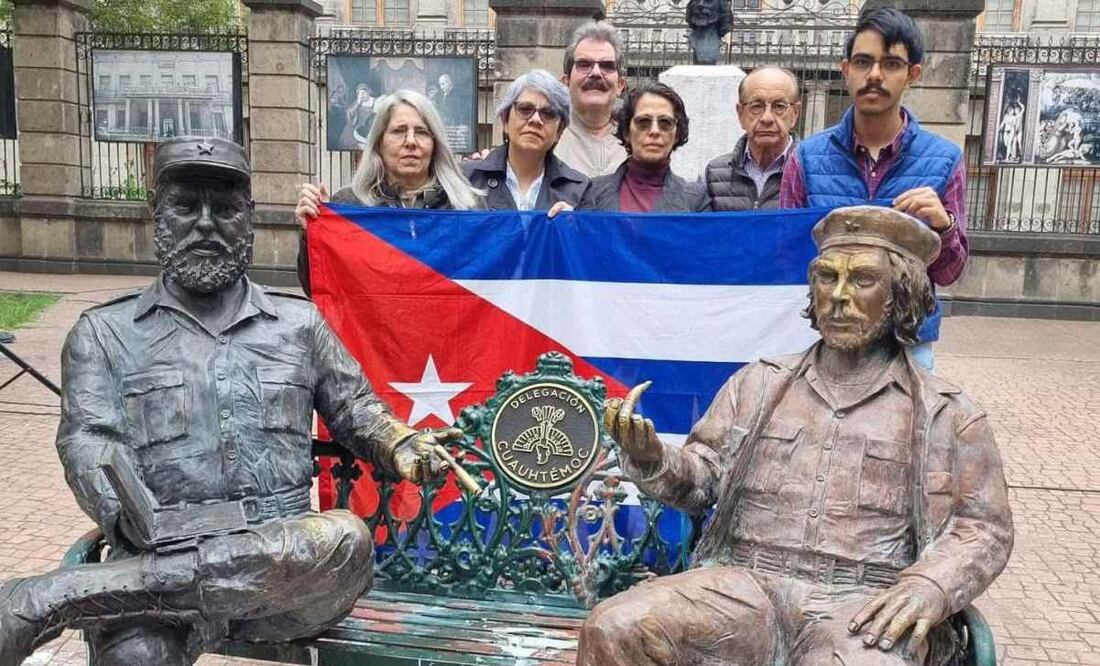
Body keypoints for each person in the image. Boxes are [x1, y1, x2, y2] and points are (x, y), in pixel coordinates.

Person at [0, 137, 462, 666]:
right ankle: (142, 591)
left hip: (284, 579)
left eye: (224, 210)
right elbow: (88, 442)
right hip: (159, 558)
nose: (205, 224)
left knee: (344, 542)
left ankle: (56, 597)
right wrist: (120, 513)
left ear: (248, 221)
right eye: (185, 206)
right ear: (157, 217)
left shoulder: (298, 325)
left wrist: (401, 444)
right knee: (136, 658)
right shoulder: (103, 333)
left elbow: (355, 408)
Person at [577, 205, 1013, 666]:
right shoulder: (759, 383)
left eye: (862, 280)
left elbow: (983, 527)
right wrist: (653, 459)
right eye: (827, 278)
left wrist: (932, 585)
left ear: (899, 294)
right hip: (744, 589)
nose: (839, 296)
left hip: (862, 601)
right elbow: (701, 482)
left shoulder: (947, 413)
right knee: (614, 628)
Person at [780, 7, 969, 371]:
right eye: (864, 62)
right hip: (826, 338)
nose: (875, 75)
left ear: (913, 74)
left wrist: (943, 229)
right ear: (845, 69)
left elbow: (949, 273)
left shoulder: (944, 160)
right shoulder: (806, 158)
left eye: (891, 64)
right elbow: (789, 259)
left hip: (908, 344)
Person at [295, 89, 484, 294]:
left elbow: (491, 286)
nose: (411, 141)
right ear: (379, 143)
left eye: (421, 131)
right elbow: (318, 289)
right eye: (399, 131)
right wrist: (314, 233)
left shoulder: (468, 206)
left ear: (435, 143)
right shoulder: (349, 204)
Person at [462, 70, 589, 213]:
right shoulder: (465, 180)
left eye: (548, 114)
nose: (535, 120)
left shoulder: (579, 190)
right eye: (525, 109)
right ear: (505, 120)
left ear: (559, 132)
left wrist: (574, 227)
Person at [579, 81, 710, 212]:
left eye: (665, 123)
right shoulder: (591, 193)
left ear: (676, 135)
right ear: (626, 132)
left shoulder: (696, 200)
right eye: (643, 122)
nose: (654, 131)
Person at [706, 66, 801, 211]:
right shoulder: (717, 173)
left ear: (794, 114)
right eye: (756, 106)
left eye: (779, 107)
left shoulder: (810, 172)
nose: (767, 118)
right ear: (740, 114)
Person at [554, 21, 629, 177]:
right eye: (584, 64)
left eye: (607, 66)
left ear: (621, 85)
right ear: (565, 82)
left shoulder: (636, 138)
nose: (596, 73)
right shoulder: (548, 136)